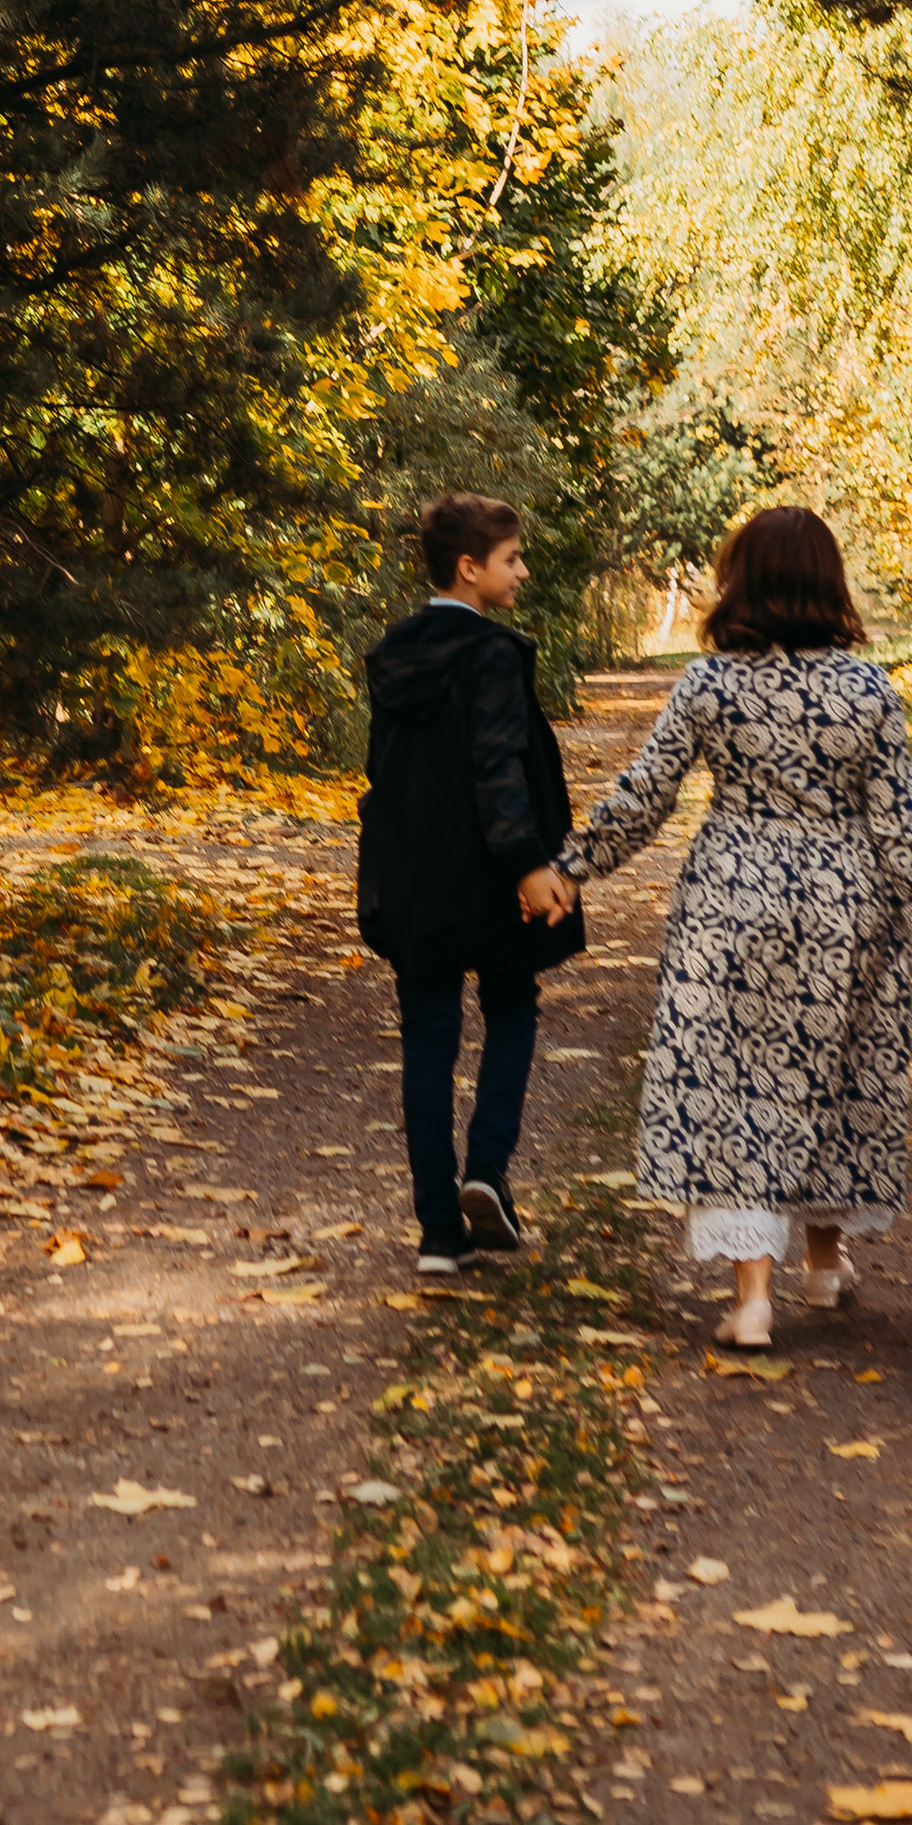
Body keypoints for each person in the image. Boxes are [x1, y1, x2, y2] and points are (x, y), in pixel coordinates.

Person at [545, 505, 912, 1349]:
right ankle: (823, 1259)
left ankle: (753, 1299)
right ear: (828, 583)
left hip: (731, 895)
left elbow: (647, 792)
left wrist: (573, 867)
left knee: (737, 1088)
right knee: (834, 1075)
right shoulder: (868, 689)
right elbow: (900, 821)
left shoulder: (710, 684)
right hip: (846, 900)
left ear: (742, 583)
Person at [356, 492, 586, 1285]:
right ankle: (485, 1169)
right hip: (490, 880)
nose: (521, 571)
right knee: (513, 1008)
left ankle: (437, 1232)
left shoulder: (397, 654)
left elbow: (384, 774)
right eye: (512, 559)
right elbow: (499, 770)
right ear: (469, 568)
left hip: (416, 880)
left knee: (427, 1040)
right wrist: (530, 862)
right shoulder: (487, 653)